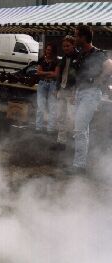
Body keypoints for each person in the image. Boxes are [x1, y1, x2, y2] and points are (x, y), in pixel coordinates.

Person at [66, 25, 109, 174]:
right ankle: (81, 162)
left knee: (79, 129)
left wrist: (99, 81)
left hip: (91, 93)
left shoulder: (97, 53)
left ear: (84, 37)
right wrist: (74, 93)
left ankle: (79, 166)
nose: (75, 38)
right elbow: (77, 76)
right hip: (81, 93)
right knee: (82, 129)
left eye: (77, 36)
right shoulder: (80, 54)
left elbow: (110, 66)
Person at [51, 36, 80, 151]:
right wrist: (57, 88)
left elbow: (81, 77)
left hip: (72, 92)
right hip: (62, 90)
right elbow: (59, 75)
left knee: (72, 118)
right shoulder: (63, 58)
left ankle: (76, 143)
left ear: (73, 45)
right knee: (61, 117)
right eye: (64, 46)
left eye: (68, 46)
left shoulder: (79, 58)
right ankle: (61, 142)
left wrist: (75, 92)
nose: (65, 48)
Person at [36, 43, 59, 133]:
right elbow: (38, 72)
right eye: (47, 49)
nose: (48, 51)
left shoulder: (57, 61)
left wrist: (43, 72)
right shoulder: (41, 59)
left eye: (50, 50)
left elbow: (56, 74)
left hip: (53, 84)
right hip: (42, 84)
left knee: (52, 107)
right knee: (40, 107)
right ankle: (38, 128)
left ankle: (50, 129)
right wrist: (49, 72)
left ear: (53, 51)